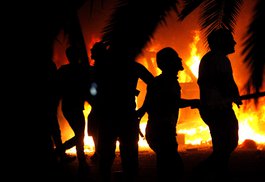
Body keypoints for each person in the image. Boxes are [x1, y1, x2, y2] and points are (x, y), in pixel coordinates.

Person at [92, 43, 154, 181]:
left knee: (108, 157)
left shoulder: (104, 68)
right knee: (128, 156)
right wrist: (144, 107)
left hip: (111, 117)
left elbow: (92, 90)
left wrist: (97, 103)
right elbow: (154, 84)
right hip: (125, 117)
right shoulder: (133, 67)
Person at [137, 47, 199, 182]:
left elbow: (147, 105)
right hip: (162, 132)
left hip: (159, 131)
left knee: (167, 167)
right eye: (176, 57)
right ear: (169, 63)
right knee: (173, 169)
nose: (180, 59)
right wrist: (194, 102)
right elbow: (173, 102)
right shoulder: (166, 82)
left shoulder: (159, 82)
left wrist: (140, 113)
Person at [194, 28, 242, 180]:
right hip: (216, 109)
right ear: (221, 42)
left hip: (219, 108)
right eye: (230, 39)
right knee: (226, 144)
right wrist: (227, 96)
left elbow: (226, 82)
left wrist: (233, 95)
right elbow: (216, 83)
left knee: (227, 144)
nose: (234, 42)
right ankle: (202, 172)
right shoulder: (215, 59)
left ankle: (218, 172)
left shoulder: (218, 59)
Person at [57, 45, 91, 172]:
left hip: (67, 106)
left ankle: (80, 161)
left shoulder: (63, 70)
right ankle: (63, 152)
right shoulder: (82, 69)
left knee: (79, 134)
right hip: (74, 106)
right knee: (80, 134)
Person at [47, 59, 76, 164]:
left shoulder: (56, 78)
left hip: (52, 110)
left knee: (54, 133)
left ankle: (57, 155)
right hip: (50, 110)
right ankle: (59, 154)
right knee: (55, 133)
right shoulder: (53, 80)